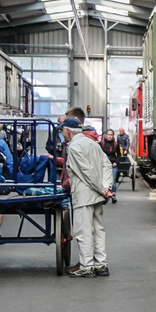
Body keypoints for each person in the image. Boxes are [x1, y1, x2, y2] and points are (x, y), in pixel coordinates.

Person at [61, 108, 114, 277]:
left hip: (84, 195)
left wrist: (102, 189)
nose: (62, 134)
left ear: (68, 131)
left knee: (83, 232)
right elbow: (106, 165)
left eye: (62, 131)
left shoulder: (74, 147)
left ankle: (87, 267)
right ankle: (101, 265)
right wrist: (107, 187)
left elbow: (86, 172)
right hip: (97, 195)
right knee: (98, 230)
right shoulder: (92, 143)